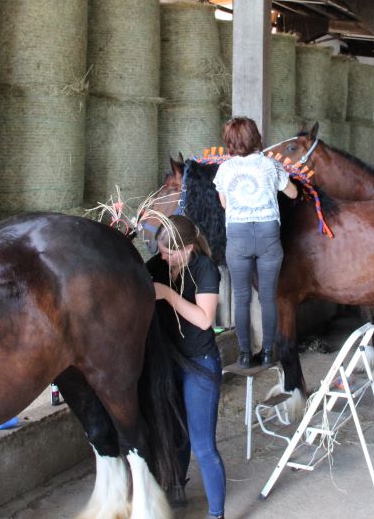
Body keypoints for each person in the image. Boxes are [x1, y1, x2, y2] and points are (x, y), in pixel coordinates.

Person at [146, 215, 226, 519]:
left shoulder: (205, 268)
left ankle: (217, 514)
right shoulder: (157, 265)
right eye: (161, 251)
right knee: (176, 433)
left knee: (203, 445)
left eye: (168, 252)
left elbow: (204, 319)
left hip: (199, 362)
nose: (162, 256)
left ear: (188, 248)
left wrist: (167, 295)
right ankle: (176, 489)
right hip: (169, 361)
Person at [213, 117, 298, 368]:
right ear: (255, 137)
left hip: (238, 237)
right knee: (268, 297)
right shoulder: (271, 165)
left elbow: (224, 203)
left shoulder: (225, 169)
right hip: (268, 235)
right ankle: (268, 352)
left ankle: (244, 355)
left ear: (230, 141)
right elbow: (292, 193)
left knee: (241, 298)